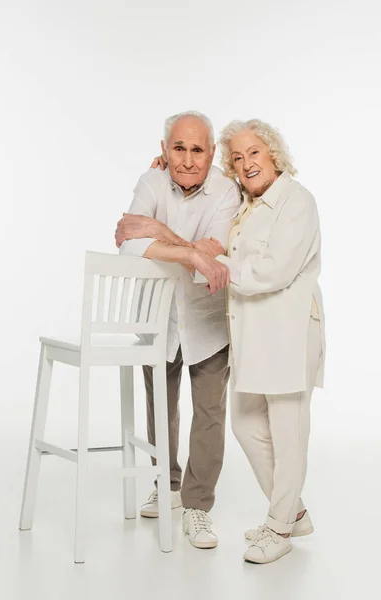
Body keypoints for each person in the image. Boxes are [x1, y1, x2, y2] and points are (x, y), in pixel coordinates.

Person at [194, 118, 326, 564]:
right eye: (237, 157)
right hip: (254, 331)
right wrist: (160, 170)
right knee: (246, 422)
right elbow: (200, 181)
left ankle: (280, 526)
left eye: (254, 152)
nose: (246, 163)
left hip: (288, 329)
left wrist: (220, 269)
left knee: (288, 432)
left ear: (273, 153)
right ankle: (294, 511)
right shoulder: (249, 204)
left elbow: (275, 269)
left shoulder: (297, 201)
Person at [115, 110, 241, 549]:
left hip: (208, 319)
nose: (187, 159)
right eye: (179, 148)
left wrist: (156, 231)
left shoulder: (226, 191)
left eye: (198, 150)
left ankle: (197, 507)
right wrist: (190, 256)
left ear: (211, 154)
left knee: (209, 414)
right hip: (158, 316)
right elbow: (129, 245)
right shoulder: (151, 182)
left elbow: (214, 247)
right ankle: (166, 486)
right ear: (165, 149)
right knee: (160, 408)